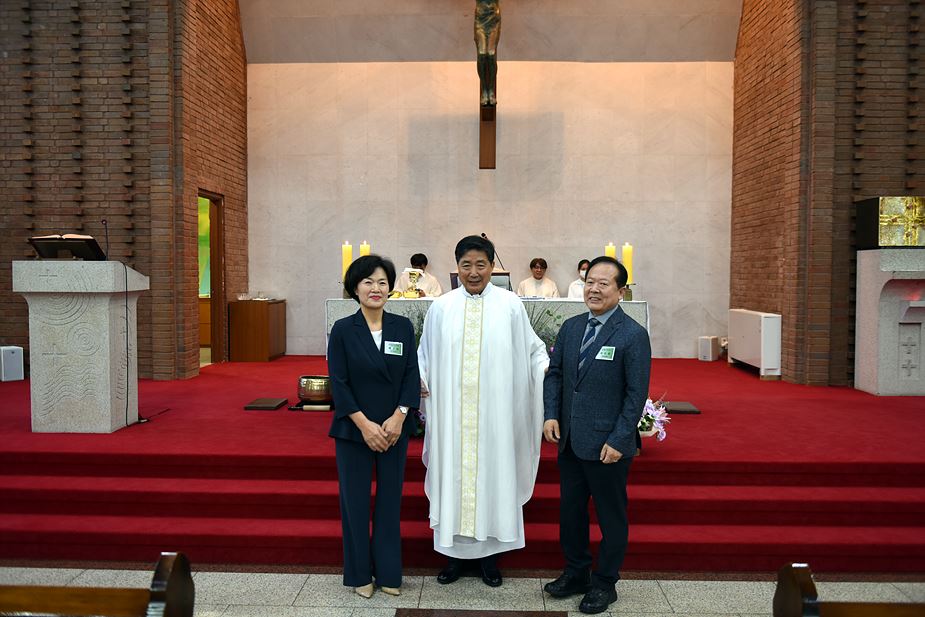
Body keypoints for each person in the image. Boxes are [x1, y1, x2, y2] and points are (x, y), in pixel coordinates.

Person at [418, 235, 549, 587]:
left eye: (481, 265)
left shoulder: (510, 305)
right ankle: (453, 557)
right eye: (466, 265)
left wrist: (546, 369)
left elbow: (532, 350)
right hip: (452, 417)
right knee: (454, 479)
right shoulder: (441, 307)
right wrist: (420, 377)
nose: (473, 272)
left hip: (495, 416)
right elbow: (424, 353)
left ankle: (490, 559)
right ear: (457, 267)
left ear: (493, 266)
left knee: (493, 477)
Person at [542, 255, 651, 614]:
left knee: (610, 517)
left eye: (604, 283)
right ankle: (576, 573)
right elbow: (555, 375)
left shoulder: (632, 335)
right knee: (571, 514)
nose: (594, 289)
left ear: (621, 291)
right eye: (590, 282)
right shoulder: (572, 327)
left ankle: (605, 583)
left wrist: (619, 439)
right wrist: (551, 415)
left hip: (608, 446)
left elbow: (636, 394)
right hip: (571, 441)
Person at [327, 254, 421, 599]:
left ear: (390, 288)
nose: (376, 288)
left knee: (389, 502)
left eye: (382, 282)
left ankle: (389, 572)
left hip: (394, 430)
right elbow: (339, 383)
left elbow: (411, 375)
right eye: (368, 282)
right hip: (355, 430)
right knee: (354, 504)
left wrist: (399, 417)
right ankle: (359, 574)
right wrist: (365, 425)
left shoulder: (402, 327)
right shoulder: (343, 329)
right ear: (355, 288)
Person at [474, 0, 500, 106]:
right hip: (480, 23)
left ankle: (491, 90)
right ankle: (484, 89)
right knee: (482, 54)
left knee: (491, 54)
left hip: (494, 23)